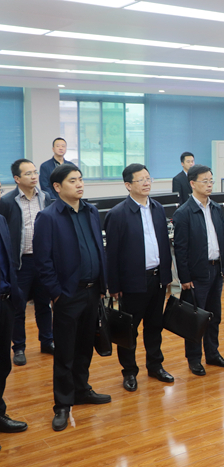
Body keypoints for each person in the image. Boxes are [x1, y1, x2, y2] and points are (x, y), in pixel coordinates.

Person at [34, 165, 111, 432]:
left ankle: (81, 390)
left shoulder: (91, 211)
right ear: (57, 187)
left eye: (80, 179)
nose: (79, 184)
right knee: (65, 351)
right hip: (68, 294)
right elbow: (43, 262)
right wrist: (57, 294)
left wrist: (102, 285)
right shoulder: (48, 217)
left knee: (85, 345)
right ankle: (63, 404)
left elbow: (99, 249)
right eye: (72, 181)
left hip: (92, 291)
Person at [105, 164, 175, 392]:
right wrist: (114, 285)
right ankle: (129, 371)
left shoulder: (157, 208)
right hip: (133, 282)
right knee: (129, 330)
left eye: (148, 178)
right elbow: (112, 254)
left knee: (154, 326)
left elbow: (164, 244)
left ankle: (155, 366)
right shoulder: (117, 214)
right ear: (128, 185)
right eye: (141, 180)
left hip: (157, 278)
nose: (146, 183)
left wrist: (167, 277)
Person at [172, 165, 224, 376]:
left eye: (211, 181)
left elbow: (223, 239)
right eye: (204, 181)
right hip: (197, 274)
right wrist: (184, 277)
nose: (209, 185)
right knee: (195, 318)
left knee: (214, 316)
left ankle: (213, 354)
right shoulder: (183, 213)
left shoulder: (216, 208)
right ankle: (194, 358)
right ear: (192, 184)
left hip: (216, 270)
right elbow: (180, 249)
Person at [0, 159, 54, 367]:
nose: (34, 176)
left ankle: (47, 341)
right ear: (17, 178)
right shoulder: (7, 201)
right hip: (20, 263)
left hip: (43, 261)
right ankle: (19, 347)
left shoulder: (46, 197)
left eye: (35, 172)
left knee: (44, 304)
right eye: (28, 173)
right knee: (18, 307)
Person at [0, 211, 29, 444]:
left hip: (5, 300)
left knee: (2, 364)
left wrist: (15, 293)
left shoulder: (1, 220)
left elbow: (8, 261)